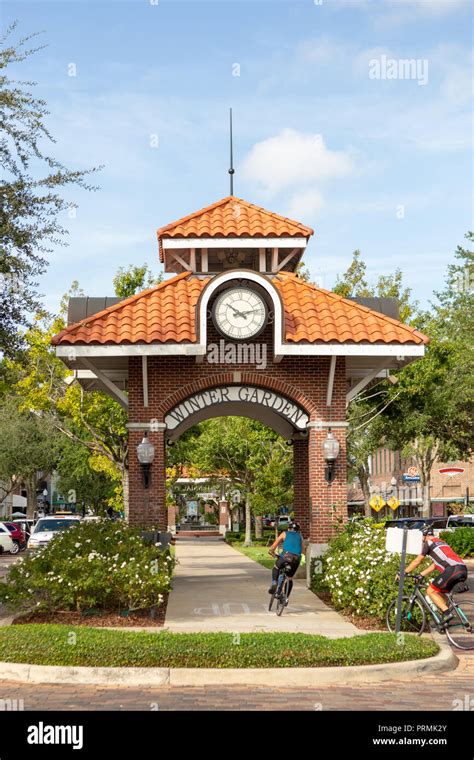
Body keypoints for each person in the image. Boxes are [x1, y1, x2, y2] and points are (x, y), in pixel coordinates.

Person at [401, 524, 468, 624]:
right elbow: (435, 564)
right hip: (462, 568)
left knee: (430, 591)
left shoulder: (428, 543)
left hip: (452, 569)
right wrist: (421, 574)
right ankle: (444, 622)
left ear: (424, 535)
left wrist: (403, 572)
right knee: (440, 593)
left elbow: (417, 561)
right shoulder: (441, 542)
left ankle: (447, 614)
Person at [268, 521, 304, 597]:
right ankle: (285, 598)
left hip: (285, 556)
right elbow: (303, 551)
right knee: (290, 578)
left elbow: (274, 545)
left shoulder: (284, 533)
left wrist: (271, 552)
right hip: (296, 559)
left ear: (289, 528)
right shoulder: (300, 536)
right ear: (298, 530)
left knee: (276, 567)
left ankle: (274, 582)